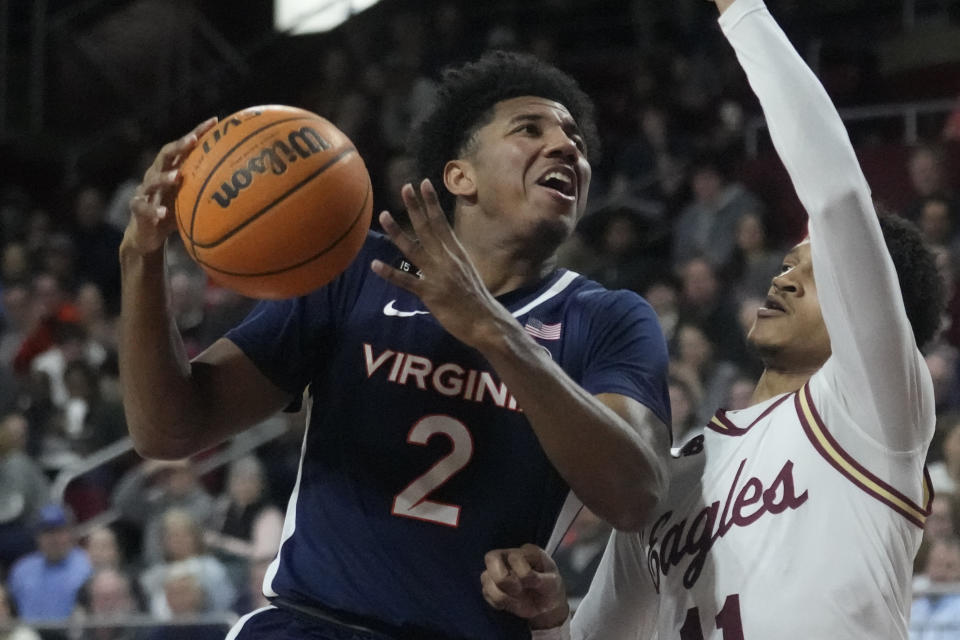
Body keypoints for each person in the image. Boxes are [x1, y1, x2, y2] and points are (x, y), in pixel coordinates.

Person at [119, 50, 672, 639]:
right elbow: (169, 431)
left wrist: (495, 331)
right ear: (461, 176)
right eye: (530, 129)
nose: (567, 148)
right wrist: (140, 260)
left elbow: (636, 494)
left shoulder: (611, 319)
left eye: (576, 142)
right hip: (310, 624)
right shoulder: (358, 271)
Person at [480, 1, 946, 638]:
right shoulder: (669, 477)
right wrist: (550, 617)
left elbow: (837, 194)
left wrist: (743, 11)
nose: (784, 277)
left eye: (815, 278)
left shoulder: (871, 415)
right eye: (789, 264)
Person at [6, 504, 92, 622]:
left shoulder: (87, 564)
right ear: (37, 536)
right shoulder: (22, 569)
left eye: (59, 531)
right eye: (47, 532)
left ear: (70, 533)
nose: (54, 539)